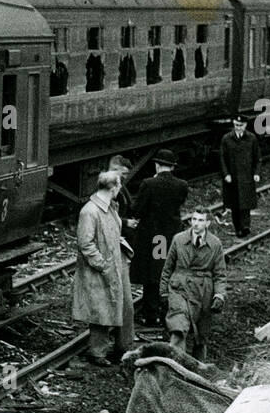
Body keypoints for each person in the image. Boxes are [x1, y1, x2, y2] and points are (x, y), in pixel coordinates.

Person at [72, 171, 135, 366]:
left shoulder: (110, 208)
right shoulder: (90, 211)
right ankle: (97, 352)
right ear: (114, 188)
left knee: (125, 306)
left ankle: (123, 349)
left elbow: (115, 233)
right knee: (101, 310)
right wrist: (102, 264)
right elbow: (85, 244)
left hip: (117, 264)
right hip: (100, 269)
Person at [130, 149, 190, 329]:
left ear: (157, 165)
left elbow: (137, 210)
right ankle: (166, 310)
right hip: (171, 235)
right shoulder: (182, 185)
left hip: (154, 236)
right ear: (172, 167)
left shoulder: (148, 184)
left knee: (153, 274)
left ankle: (151, 314)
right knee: (168, 269)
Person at [160, 207, 227, 362]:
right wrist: (163, 291)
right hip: (179, 287)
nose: (196, 224)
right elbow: (168, 267)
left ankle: (199, 369)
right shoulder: (179, 239)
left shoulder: (215, 244)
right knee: (178, 325)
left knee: (201, 335)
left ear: (208, 223)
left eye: (200, 220)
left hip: (204, 291)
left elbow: (220, 274)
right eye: (194, 219)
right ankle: (175, 366)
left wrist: (219, 295)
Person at [220, 115, 260, 236]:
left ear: (245, 125)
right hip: (232, 177)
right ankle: (238, 228)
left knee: (246, 203)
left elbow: (257, 157)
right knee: (234, 204)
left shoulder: (252, 138)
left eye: (240, 126)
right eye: (236, 125)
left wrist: (257, 173)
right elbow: (222, 158)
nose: (238, 128)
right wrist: (226, 174)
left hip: (246, 176)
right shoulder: (226, 139)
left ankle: (246, 226)